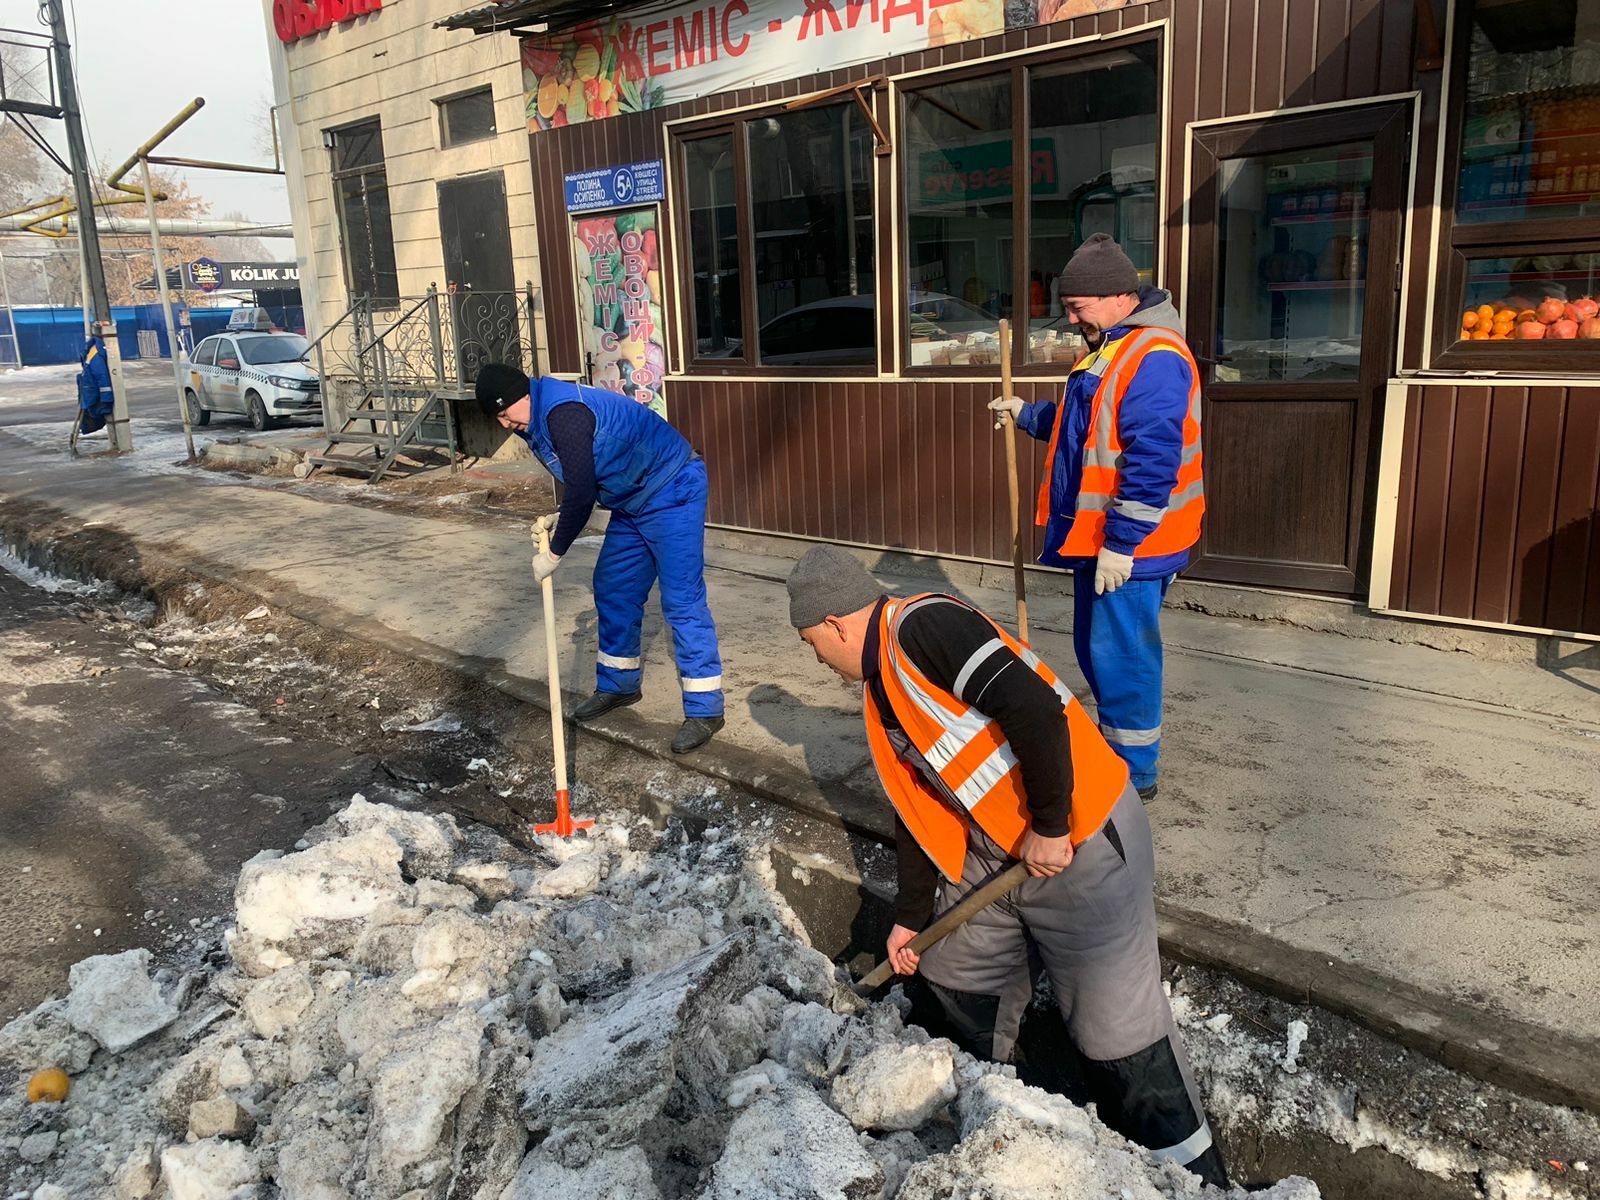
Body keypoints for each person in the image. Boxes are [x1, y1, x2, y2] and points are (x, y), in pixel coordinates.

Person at [785, 544, 1226, 1188]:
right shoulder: (881, 691)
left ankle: (1193, 1178)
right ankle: (1002, 1126)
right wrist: (910, 919)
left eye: (810, 644)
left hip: (1078, 839)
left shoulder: (925, 627)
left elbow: (1035, 707)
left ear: (835, 624)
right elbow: (920, 811)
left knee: (1116, 1033)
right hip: (997, 854)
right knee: (953, 976)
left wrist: (1050, 825)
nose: (816, 660)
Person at [989, 234, 1203, 802]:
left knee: (1124, 657)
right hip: (1103, 537)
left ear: (1116, 296)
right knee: (1097, 648)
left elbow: (1154, 455)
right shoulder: (1112, 346)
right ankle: (1116, 754)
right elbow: (1088, 423)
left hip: (1132, 544)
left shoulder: (1154, 355)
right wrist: (1030, 415)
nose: (1070, 318)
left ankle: (1134, 776)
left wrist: (1123, 541)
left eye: (1077, 307)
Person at [475, 364, 724, 754]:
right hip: (630, 500)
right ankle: (619, 685)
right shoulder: (537, 416)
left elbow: (581, 490)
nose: (505, 425)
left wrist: (555, 553)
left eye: (505, 414)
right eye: (499, 418)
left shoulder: (564, 413)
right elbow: (583, 475)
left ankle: (706, 709)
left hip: (672, 487)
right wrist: (567, 511)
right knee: (614, 587)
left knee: (681, 599)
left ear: (522, 395)